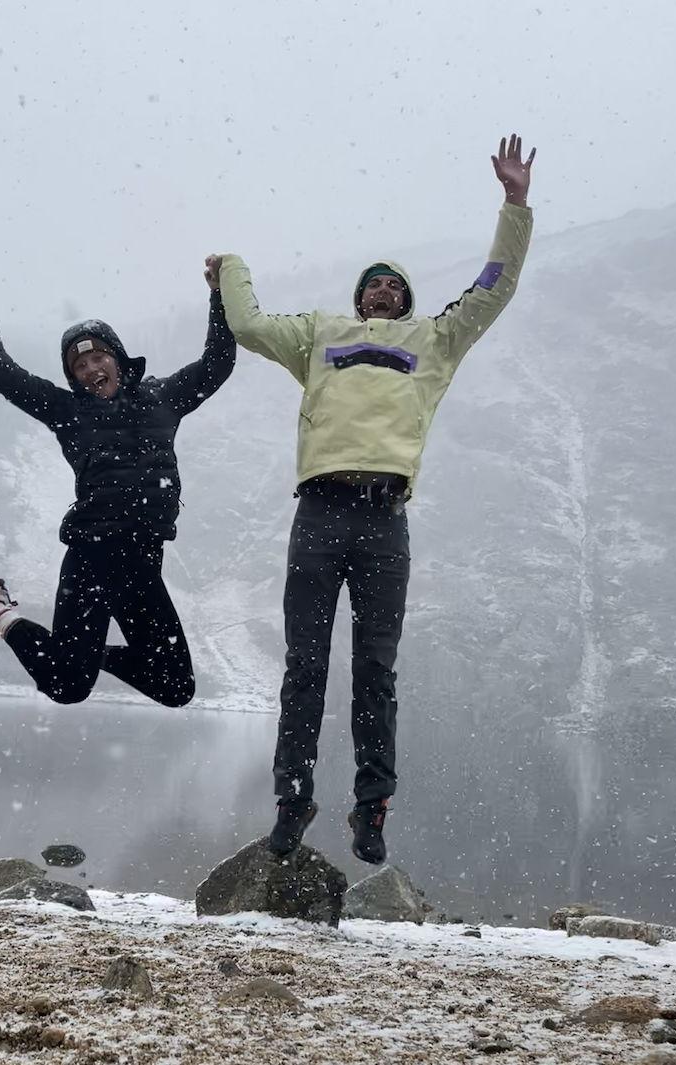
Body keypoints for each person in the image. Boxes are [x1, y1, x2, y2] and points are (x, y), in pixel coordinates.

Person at [205, 134, 536, 863]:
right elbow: (250, 323)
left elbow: (493, 287)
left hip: (385, 518)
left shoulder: (435, 339)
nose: (384, 289)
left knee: (375, 671)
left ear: (407, 300)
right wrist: (232, 268)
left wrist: (514, 204)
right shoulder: (321, 335)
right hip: (319, 514)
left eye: (395, 284)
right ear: (359, 295)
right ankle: (292, 803)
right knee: (306, 667)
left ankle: (370, 810)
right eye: (374, 283)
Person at [0, 282, 236, 708]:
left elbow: (217, 362)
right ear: (72, 378)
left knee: (176, 687)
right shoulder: (67, 412)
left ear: (119, 359)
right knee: (68, 686)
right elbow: (2, 373)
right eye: (79, 365)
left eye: (98, 357)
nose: (90, 368)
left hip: (143, 561)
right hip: (94, 556)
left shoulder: (163, 398)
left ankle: (80, 656)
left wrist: (219, 294)